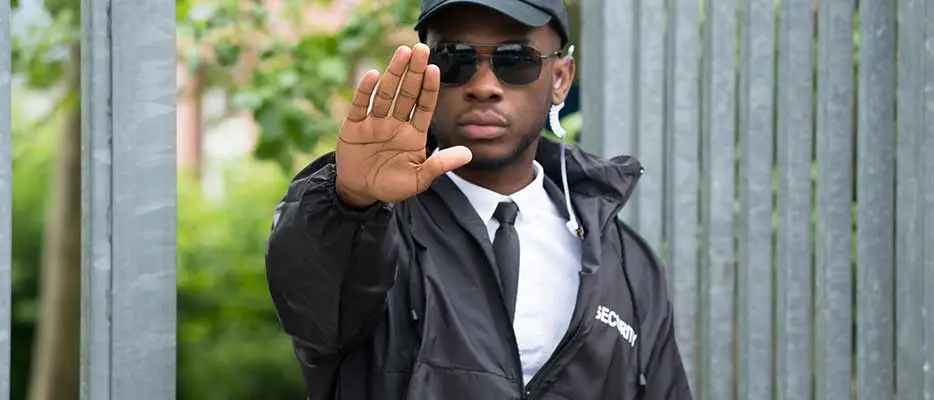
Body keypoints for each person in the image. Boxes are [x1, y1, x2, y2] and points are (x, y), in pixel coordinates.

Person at [264, 0, 692, 398]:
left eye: (516, 60)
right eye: (454, 59)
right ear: (425, 70)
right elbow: (311, 301)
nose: (483, 86)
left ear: (560, 79)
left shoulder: (627, 265)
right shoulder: (370, 229)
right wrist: (350, 200)